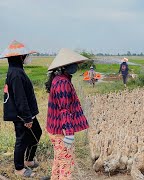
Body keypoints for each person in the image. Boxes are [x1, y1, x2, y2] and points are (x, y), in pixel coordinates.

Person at [45, 48, 89, 180]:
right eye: (72, 64)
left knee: (59, 161)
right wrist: (69, 133)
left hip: (56, 129)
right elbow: (64, 109)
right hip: (61, 131)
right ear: (64, 67)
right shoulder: (62, 82)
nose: (75, 66)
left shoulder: (59, 79)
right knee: (66, 165)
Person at [1, 40, 42, 178]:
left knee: (36, 132)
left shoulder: (16, 71)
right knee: (22, 139)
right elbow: (20, 98)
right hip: (21, 115)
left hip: (25, 113)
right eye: (24, 55)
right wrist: (27, 118)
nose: (26, 57)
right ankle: (19, 168)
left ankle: (29, 160)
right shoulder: (17, 74)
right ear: (19, 57)